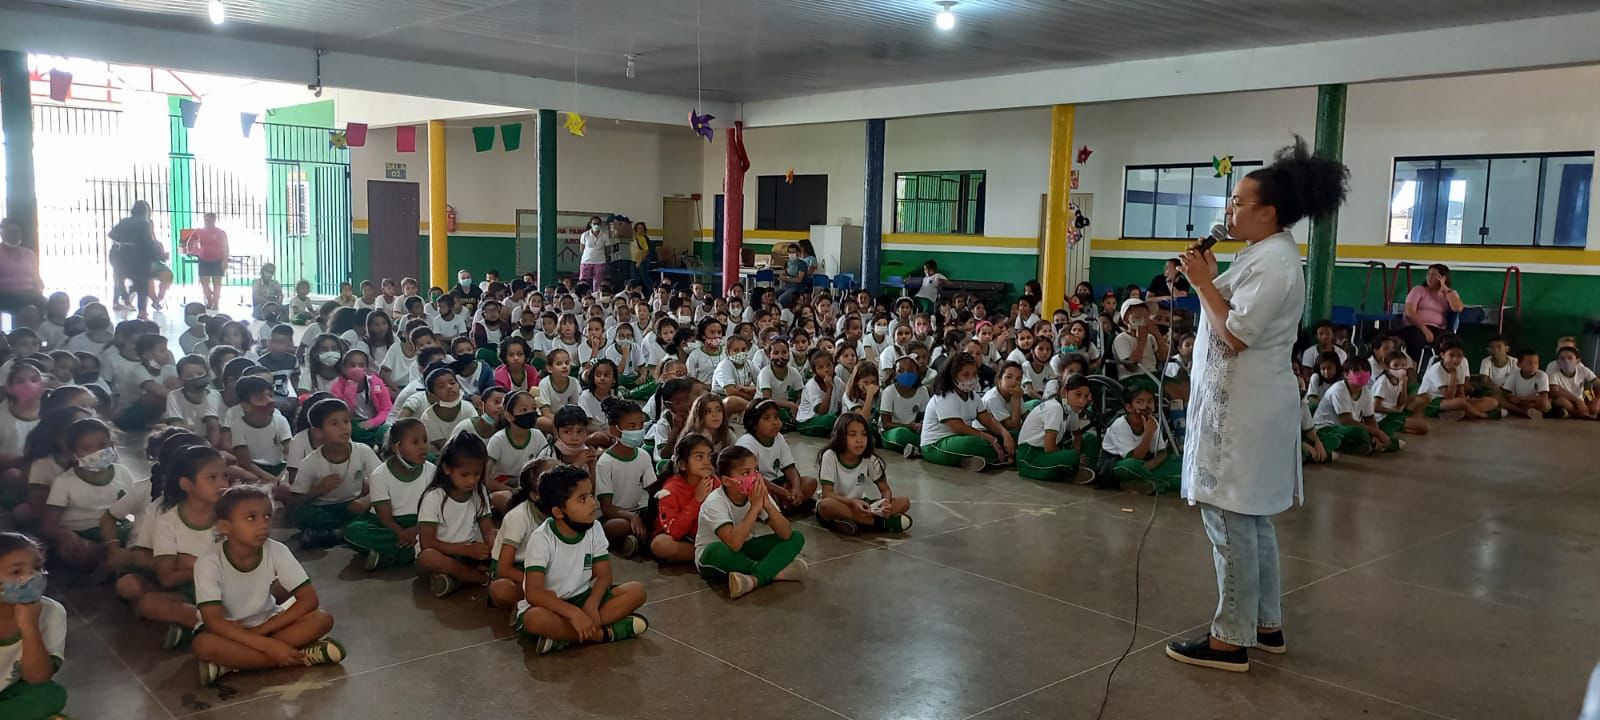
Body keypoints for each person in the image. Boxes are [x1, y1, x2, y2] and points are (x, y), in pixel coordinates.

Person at [1168, 137, 1347, 672]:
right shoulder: (1264, 254)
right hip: (1245, 404)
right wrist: (1205, 273)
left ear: (1269, 212)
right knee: (1251, 520)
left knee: (1229, 520)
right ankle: (1264, 624)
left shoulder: (1276, 265)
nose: (1229, 212)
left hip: (1243, 414)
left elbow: (1235, 334)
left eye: (1238, 204)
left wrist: (1201, 282)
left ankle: (1230, 638)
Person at [192, 485, 345, 687]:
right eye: (251, 518)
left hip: (268, 623)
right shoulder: (208, 562)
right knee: (203, 645)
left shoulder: (277, 550)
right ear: (224, 527)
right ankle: (301, 656)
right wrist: (270, 646)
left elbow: (309, 599)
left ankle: (230, 665)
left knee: (322, 619)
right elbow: (214, 622)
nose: (263, 525)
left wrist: (262, 633)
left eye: (267, 516)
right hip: (229, 633)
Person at [512, 463, 649, 654]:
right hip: (552, 606)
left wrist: (592, 603)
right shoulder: (541, 538)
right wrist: (573, 613)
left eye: (591, 495)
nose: (593, 503)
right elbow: (534, 593)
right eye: (582, 499)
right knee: (535, 619)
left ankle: (564, 638)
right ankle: (604, 634)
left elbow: (604, 576)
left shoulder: (594, 528)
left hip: (584, 598)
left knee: (637, 591)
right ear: (558, 512)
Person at [694, 445, 807, 599]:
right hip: (718, 554)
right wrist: (755, 507)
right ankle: (772, 571)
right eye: (746, 473)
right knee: (715, 551)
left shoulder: (758, 494)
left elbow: (785, 533)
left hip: (745, 547)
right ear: (727, 481)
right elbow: (734, 543)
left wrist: (767, 504)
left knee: (796, 537)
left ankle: (753, 580)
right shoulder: (714, 502)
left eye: (756, 470)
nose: (754, 477)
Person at [343, 418, 434, 571]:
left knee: (446, 527)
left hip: (420, 522)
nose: (423, 447)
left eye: (425, 441)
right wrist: (403, 533)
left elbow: (435, 511)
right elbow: (385, 517)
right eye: (415, 442)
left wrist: (415, 530)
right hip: (387, 525)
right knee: (354, 532)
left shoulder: (431, 471)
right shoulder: (379, 475)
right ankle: (411, 552)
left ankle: (386, 556)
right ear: (396, 447)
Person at [415, 433, 496, 598]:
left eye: (477, 474)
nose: (472, 481)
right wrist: (466, 550)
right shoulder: (434, 497)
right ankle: (482, 578)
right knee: (429, 558)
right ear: (447, 469)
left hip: (467, 553)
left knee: (500, 547)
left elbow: (488, 531)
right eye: (464, 475)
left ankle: (453, 580)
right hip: (441, 552)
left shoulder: (479, 492)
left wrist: (492, 548)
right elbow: (427, 542)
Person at [0, 531, 69, 720]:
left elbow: (37, 678)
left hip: (10, 693)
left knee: (51, 694)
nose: (32, 576)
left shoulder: (52, 612)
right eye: (16, 572)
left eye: (38, 567)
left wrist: (29, 627)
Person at [814, 413, 912, 535]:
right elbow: (827, 493)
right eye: (852, 434)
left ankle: (852, 522)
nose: (860, 440)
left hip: (861, 503)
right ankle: (879, 524)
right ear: (840, 436)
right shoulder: (830, 456)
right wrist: (852, 503)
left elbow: (885, 490)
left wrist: (885, 503)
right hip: (840, 503)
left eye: (864, 434)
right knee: (826, 505)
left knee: (904, 502)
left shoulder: (870, 458)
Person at [918, 351, 1013, 472]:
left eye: (974, 374)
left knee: (1009, 436)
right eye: (966, 375)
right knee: (973, 443)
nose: (972, 379)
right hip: (935, 445)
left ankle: (972, 460)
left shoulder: (973, 396)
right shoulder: (945, 396)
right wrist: (990, 439)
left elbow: (988, 420)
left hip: (958, 440)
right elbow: (959, 428)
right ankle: (1005, 457)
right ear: (953, 376)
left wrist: (1005, 434)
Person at [595, 398, 654, 558]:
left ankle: (634, 540)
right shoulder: (605, 463)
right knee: (621, 526)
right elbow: (606, 508)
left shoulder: (643, 456)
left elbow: (652, 488)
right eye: (632, 426)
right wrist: (631, 516)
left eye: (641, 426)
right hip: (614, 517)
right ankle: (634, 540)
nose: (638, 430)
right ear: (615, 430)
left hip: (638, 511)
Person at [1016, 373, 1097, 484]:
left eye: (1086, 396)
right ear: (1064, 392)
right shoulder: (1054, 408)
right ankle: (1069, 472)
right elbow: (1049, 448)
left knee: (1089, 439)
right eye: (1077, 395)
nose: (1082, 401)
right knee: (1071, 456)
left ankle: (1075, 469)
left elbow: (1077, 435)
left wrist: (1077, 454)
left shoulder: (1071, 409)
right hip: (1029, 456)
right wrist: (1075, 457)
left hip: (1046, 453)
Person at [1311, 358, 1397, 456]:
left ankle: (1366, 445)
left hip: (1348, 427)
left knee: (1386, 430)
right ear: (1346, 374)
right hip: (1327, 428)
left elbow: (1369, 418)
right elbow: (1346, 421)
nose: (1362, 373)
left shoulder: (1366, 392)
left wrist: (1376, 436)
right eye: (1356, 371)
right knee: (1359, 434)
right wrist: (1378, 433)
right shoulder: (1339, 390)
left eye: (1365, 370)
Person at [652, 434, 716, 563]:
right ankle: (705, 556)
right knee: (660, 545)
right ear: (683, 465)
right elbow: (675, 531)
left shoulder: (714, 482)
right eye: (699, 457)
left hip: (704, 535)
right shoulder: (669, 491)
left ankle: (709, 553)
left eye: (709, 456)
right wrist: (696, 500)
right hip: (680, 538)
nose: (707, 462)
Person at [108, 200, 162, 319]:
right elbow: (148, 242)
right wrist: (155, 256)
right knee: (142, 283)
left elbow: (111, 234)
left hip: (123, 255)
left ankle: (125, 299)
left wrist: (124, 240)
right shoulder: (144, 223)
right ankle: (142, 311)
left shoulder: (125, 221)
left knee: (121, 278)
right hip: (139, 256)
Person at [1399, 263, 1464, 362]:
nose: (1430, 277)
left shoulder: (1449, 293)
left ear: (1443, 278)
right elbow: (1410, 312)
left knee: (1450, 342)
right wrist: (1425, 330)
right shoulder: (1419, 290)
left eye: (1434, 275)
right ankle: (1413, 369)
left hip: (1438, 329)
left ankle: (1443, 369)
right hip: (1415, 326)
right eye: (1428, 274)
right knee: (1416, 339)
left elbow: (1458, 308)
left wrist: (1445, 288)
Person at [0, 218, 46, 320]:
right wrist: (15, 293)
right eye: (10, 232)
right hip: (5, 296)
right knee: (27, 309)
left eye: (17, 232)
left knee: (48, 304)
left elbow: (37, 279)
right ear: (2, 234)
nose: (14, 235)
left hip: (30, 295)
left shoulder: (29, 254)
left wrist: (37, 291)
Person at [185, 213, 229, 310]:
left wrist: (225, 261)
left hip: (218, 259)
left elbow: (226, 247)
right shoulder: (199, 231)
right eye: (206, 220)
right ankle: (209, 301)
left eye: (209, 220)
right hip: (204, 259)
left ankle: (216, 303)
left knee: (217, 283)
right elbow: (190, 240)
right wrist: (191, 251)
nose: (207, 222)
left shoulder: (220, 232)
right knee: (204, 282)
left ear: (214, 220)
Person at [578, 216, 611, 289]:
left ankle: (596, 296)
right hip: (586, 261)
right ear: (590, 224)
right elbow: (581, 249)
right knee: (583, 282)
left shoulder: (604, 236)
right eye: (594, 223)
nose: (596, 225)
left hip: (600, 262)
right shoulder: (585, 235)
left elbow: (607, 250)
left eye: (598, 224)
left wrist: (606, 260)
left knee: (598, 283)